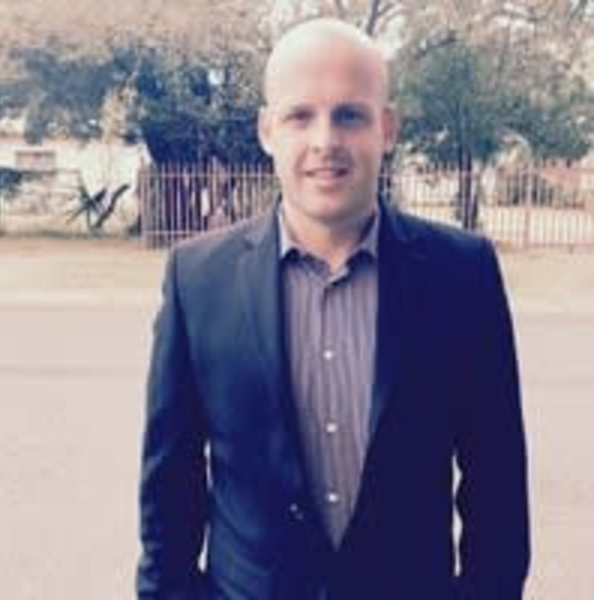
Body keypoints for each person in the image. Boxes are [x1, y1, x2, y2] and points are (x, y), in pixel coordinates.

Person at [137, 18, 530, 600]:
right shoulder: (198, 279)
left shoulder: (461, 275)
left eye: (350, 115)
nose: (325, 141)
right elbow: (169, 486)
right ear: (268, 130)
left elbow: (496, 480)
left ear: (386, 127)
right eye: (300, 116)